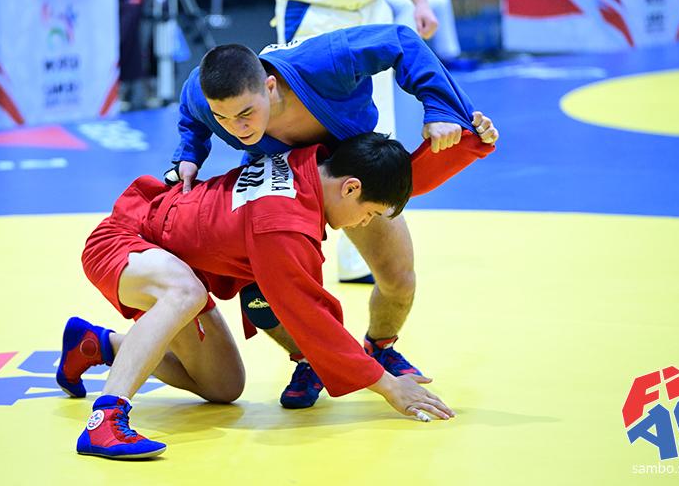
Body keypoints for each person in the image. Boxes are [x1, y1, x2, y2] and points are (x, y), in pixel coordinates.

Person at [154, 23, 498, 410]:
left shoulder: (322, 63)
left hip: (351, 177)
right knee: (266, 298)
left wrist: (440, 107)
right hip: (280, 184)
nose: (238, 128)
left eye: (247, 113)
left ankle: (380, 347)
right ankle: (309, 360)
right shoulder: (204, 97)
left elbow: (399, 40)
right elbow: (191, 109)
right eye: (224, 119)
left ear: (269, 86)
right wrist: (189, 153)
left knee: (398, 279)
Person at [58, 133, 455, 460]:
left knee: (223, 386)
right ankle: (105, 419)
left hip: (173, 261)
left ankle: (96, 345)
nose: (365, 223)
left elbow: (397, 170)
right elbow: (311, 318)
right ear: (350, 187)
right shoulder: (282, 222)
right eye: (369, 213)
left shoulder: (308, 161)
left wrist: (470, 143)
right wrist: (389, 386)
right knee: (185, 293)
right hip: (125, 241)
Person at [147, 0, 441, 283]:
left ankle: (356, 257)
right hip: (314, 15)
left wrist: (419, 0)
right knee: (281, 138)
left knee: (373, 141)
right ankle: (268, 251)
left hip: (369, 9)